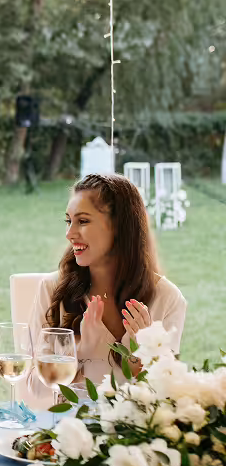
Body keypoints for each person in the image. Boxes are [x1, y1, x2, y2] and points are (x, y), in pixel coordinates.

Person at [24, 173, 187, 406]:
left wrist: (138, 355)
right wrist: (78, 352)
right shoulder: (51, 289)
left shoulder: (167, 299)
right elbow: (35, 389)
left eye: (83, 221)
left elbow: (168, 398)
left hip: (132, 438)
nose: (69, 234)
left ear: (119, 227)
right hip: (66, 434)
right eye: (68, 221)